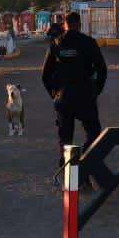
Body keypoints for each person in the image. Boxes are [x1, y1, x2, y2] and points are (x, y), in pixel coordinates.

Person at [42, 11, 108, 161]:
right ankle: (86, 164)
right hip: (85, 95)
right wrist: (96, 91)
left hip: (64, 97)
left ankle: (70, 178)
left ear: (65, 24)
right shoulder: (88, 42)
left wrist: (55, 95)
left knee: (66, 140)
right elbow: (102, 70)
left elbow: (45, 76)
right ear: (79, 25)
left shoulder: (57, 44)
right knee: (93, 133)